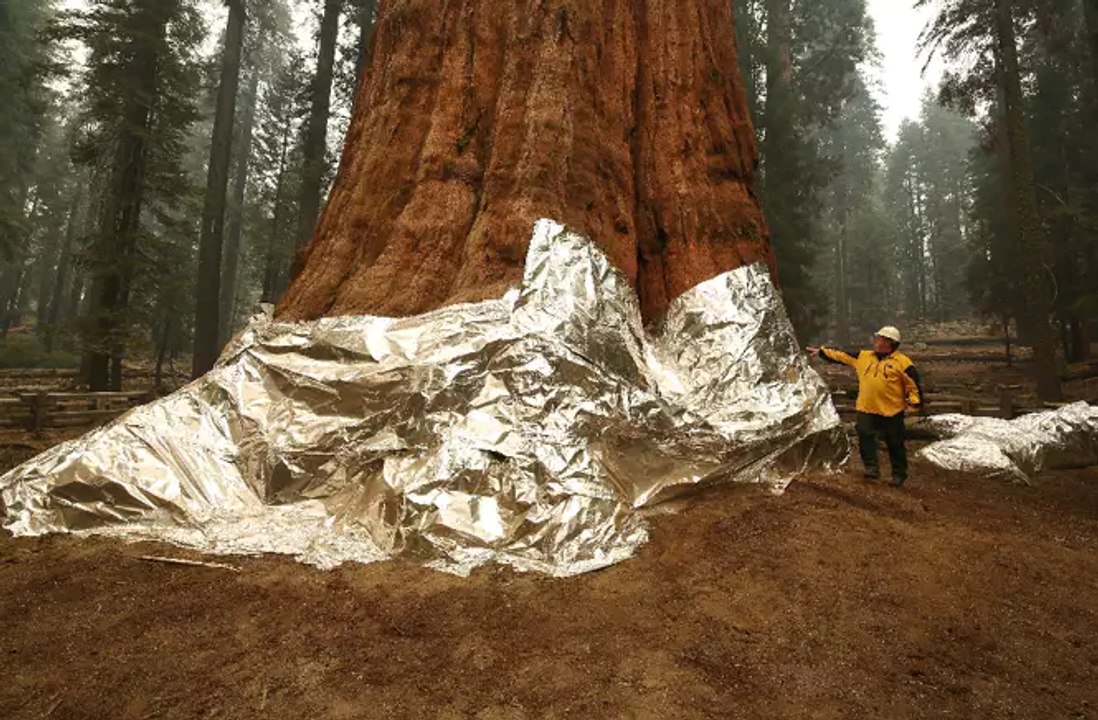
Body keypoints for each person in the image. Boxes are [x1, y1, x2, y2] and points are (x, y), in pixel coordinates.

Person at [807, 326, 924, 487]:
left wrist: (915, 402)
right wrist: (821, 352)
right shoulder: (864, 356)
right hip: (867, 408)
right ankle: (871, 468)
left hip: (892, 410)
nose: (877, 342)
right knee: (864, 434)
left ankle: (898, 475)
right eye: (877, 339)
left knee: (895, 442)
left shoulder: (903, 363)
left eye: (882, 340)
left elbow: (913, 385)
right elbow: (841, 355)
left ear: (891, 343)